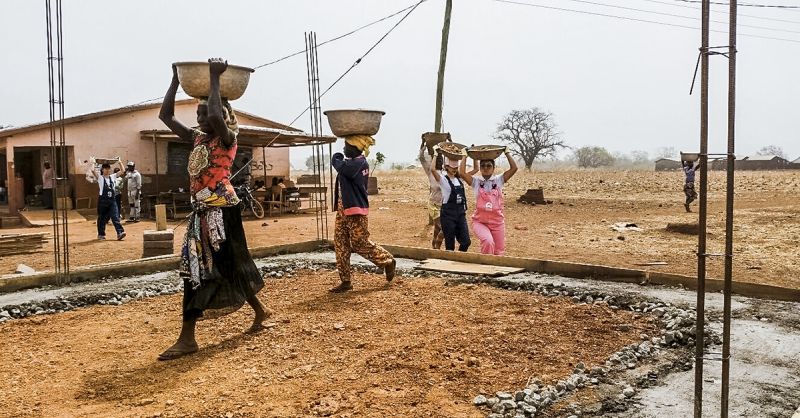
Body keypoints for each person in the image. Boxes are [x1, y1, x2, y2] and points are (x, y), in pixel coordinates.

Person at [157, 58, 269, 360]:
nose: (202, 118)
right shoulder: (197, 138)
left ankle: (187, 338)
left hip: (222, 213)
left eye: (206, 113)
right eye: (198, 113)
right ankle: (260, 311)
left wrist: (215, 79)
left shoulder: (228, 138)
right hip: (202, 213)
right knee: (210, 267)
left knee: (205, 269)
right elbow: (165, 115)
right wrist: (175, 81)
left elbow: (219, 116)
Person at [330, 140, 396, 293]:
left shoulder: (357, 164)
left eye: (346, 147)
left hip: (355, 211)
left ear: (355, 149)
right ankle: (345, 281)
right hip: (343, 209)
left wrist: (338, 155)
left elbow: (337, 163)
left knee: (359, 243)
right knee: (340, 244)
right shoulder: (354, 163)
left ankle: (387, 261)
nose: (343, 149)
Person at [458, 150, 518, 255]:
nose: (485, 168)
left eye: (489, 166)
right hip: (480, 222)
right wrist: (464, 155)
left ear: (493, 168)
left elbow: (514, 168)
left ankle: (495, 270)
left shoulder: (499, 180)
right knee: (488, 242)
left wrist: (507, 152)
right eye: (483, 166)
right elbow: (462, 173)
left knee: (499, 252)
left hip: (497, 222)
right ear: (480, 168)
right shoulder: (476, 182)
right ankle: (484, 268)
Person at [430, 152, 471, 252]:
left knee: (466, 242)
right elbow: (432, 169)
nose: (454, 169)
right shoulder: (443, 180)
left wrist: (468, 156)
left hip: (461, 214)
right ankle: (452, 263)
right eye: (452, 167)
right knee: (450, 245)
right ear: (446, 166)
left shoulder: (460, 179)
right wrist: (435, 154)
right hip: (448, 215)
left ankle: (459, 259)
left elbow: (476, 170)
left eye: (456, 167)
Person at [91, 159, 126, 241]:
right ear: (102, 170)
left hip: (112, 200)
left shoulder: (113, 177)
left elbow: (123, 171)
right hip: (102, 201)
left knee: (115, 217)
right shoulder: (100, 178)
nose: (107, 170)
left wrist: (119, 161)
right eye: (105, 169)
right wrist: (93, 162)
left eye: (108, 168)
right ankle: (101, 234)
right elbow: (92, 170)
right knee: (102, 218)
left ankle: (120, 233)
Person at [418, 141, 444, 249]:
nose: (438, 160)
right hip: (434, 205)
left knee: (437, 229)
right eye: (436, 158)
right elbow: (421, 158)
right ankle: (437, 247)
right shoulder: (430, 172)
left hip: (444, 205)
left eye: (440, 159)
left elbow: (453, 156)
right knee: (443, 228)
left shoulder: (446, 173)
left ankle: (434, 247)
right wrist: (423, 143)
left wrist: (449, 141)